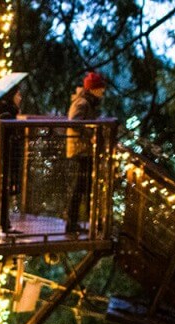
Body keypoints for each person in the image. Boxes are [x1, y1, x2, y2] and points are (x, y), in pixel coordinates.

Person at [65, 71, 106, 237]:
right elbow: (75, 122)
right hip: (80, 150)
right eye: (100, 88)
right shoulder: (82, 103)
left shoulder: (86, 102)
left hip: (82, 150)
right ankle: (73, 222)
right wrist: (91, 134)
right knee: (80, 187)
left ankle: (81, 222)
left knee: (84, 187)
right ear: (93, 89)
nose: (103, 92)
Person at [0, 87, 23, 234]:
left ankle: (1, 223)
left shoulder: (2, 109)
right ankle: (2, 223)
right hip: (4, 156)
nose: (20, 97)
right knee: (2, 189)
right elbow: (9, 134)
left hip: (1, 155)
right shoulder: (7, 112)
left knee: (0, 189)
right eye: (18, 94)